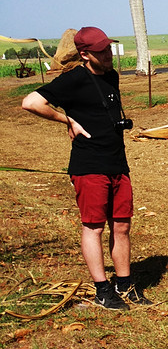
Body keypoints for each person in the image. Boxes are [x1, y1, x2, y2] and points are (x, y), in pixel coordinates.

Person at [21, 26, 147, 310]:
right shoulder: (74, 79)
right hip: (89, 166)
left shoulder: (112, 76)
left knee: (122, 225)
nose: (108, 54)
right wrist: (67, 121)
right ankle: (103, 289)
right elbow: (30, 102)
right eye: (101, 50)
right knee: (94, 228)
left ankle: (125, 284)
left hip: (117, 163)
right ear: (85, 54)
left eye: (108, 48)